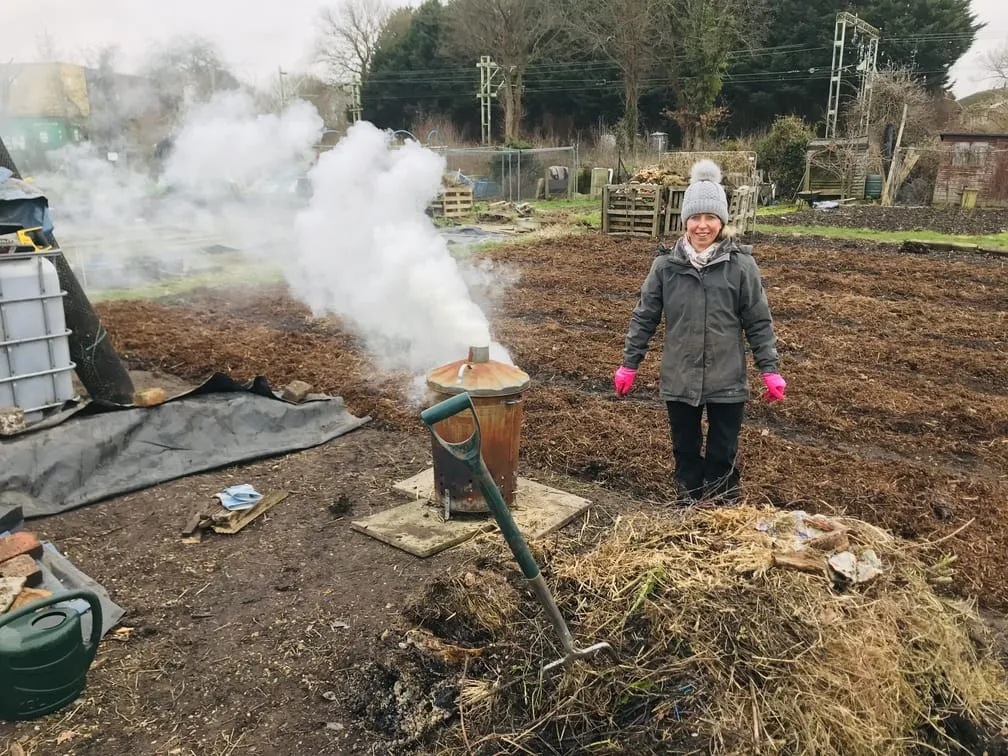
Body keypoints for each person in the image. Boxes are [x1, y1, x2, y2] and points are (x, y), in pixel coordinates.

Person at [613, 159, 785, 504]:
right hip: (680, 376)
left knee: (723, 451)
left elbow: (758, 321)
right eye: (695, 217)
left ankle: (722, 507)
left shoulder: (741, 265)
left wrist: (770, 369)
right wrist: (629, 364)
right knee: (685, 448)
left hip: (727, 378)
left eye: (710, 217)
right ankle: (688, 505)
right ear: (685, 221)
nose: (702, 226)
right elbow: (644, 318)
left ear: (721, 221)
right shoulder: (666, 267)